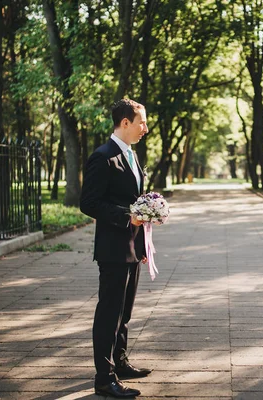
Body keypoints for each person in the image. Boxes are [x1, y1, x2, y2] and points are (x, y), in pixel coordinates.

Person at [80, 99, 152, 398]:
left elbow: (132, 196)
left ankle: (120, 363)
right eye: (141, 123)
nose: (145, 128)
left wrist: (147, 221)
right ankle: (104, 377)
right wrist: (127, 217)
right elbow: (89, 203)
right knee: (109, 312)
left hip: (133, 245)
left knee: (125, 313)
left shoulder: (131, 155)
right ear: (125, 122)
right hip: (113, 248)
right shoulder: (103, 156)